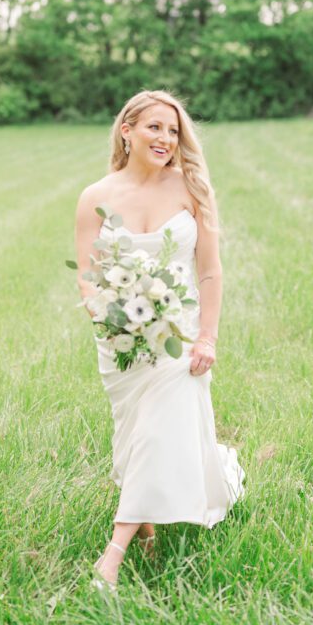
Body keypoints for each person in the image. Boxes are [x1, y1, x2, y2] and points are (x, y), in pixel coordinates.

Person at [74, 89, 246, 592]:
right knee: (135, 436)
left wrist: (208, 338)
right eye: (155, 128)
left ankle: (113, 555)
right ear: (126, 130)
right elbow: (88, 274)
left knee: (161, 419)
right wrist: (109, 311)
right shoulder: (95, 197)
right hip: (121, 338)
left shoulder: (192, 188)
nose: (166, 139)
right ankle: (146, 526)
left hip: (181, 332)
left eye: (173, 131)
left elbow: (210, 272)